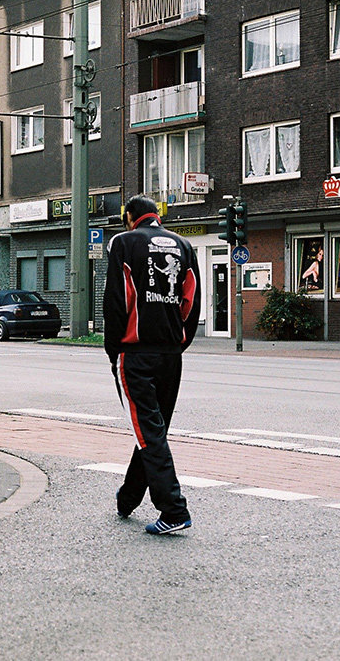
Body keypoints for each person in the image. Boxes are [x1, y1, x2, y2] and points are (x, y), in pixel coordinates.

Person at [103, 195, 201, 535]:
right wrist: (178, 343)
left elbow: (117, 300)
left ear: (130, 216)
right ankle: (128, 498)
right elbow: (191, 301)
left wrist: (113, 349)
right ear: (156, 215)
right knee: (152, 430)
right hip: (171, 355)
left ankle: (174, 509)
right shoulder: (184, 246)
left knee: (148, 430)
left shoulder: (124, 243)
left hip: (137, 353)